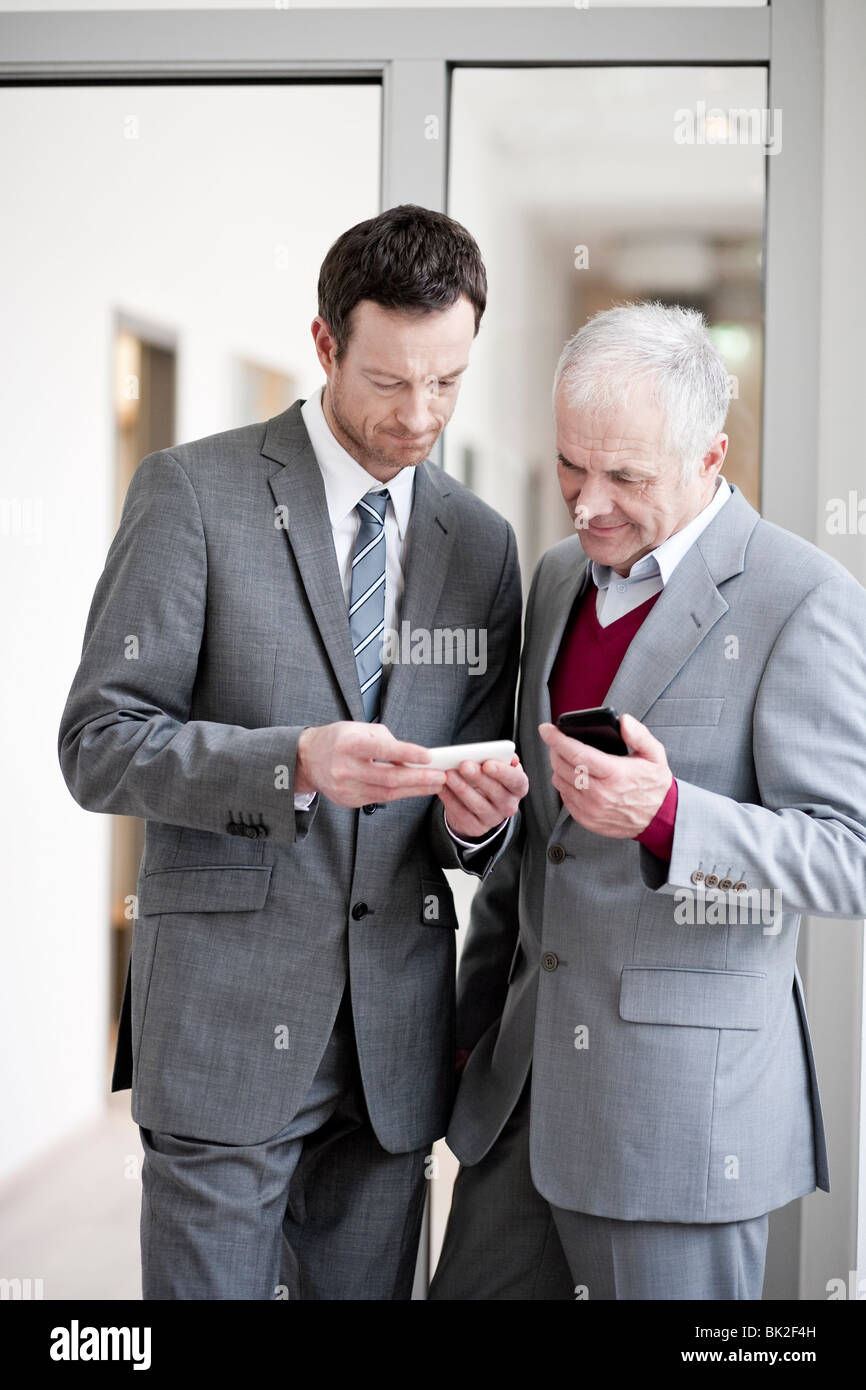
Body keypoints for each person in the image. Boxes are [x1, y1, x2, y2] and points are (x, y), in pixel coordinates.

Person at [58, 204, 527, 1300]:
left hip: (392, 1049)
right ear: (324, 346)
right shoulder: (193, 493)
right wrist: (292, 765)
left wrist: (478, 820)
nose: (421, 416)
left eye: (447, 382)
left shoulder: (483, 544)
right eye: (389, 381)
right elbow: (100, 742)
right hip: (223, 1024)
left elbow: (480, 814)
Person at [429, 301, 866, 1301]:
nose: (585, 506)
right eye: (570, 467)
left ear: (710, 455)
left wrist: (668, 816)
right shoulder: (550, 581)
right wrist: (480, 826)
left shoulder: (799, 598)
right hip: (516, 1099)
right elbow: (544, 845)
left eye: (623, 477)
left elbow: (847, 851)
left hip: (675, 1127)